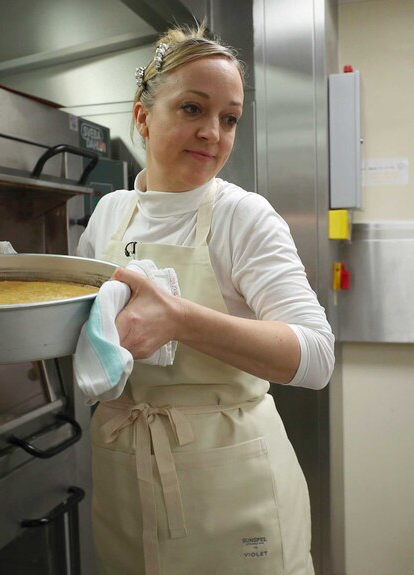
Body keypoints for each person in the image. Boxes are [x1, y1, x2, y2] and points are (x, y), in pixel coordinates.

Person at [75, 25, 334, 575]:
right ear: (144, 118)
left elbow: (315, 356)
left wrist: (179, 319)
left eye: (229, 117)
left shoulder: (244, 216)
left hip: (230, 486)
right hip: (127, 477)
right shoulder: (108, 214)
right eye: (193, 109)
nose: (212, 133)